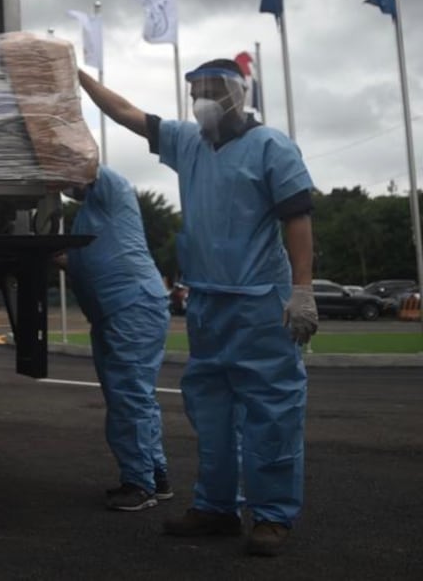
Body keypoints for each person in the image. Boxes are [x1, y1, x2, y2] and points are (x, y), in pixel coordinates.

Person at [77, 58, 317, 557]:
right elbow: (126, 112)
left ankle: (273, 515)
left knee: (271, 410)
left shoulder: (272, 147)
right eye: (195, 93)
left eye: (211, 91)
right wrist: (76, 76)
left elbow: (297, 216)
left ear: (238, 94)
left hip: (259, 301)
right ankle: (216, 508)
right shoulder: (188, 142)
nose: (201, 101)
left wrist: (302, 289)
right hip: (207, 301)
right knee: (211, 411)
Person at [54, 165, 172, 512]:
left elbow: (81, 162)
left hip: (130, 307)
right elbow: (85, 262)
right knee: (136, 397)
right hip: (117, 311)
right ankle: (155, 475)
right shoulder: (90, 215)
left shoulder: (111, 186)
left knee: (129, 398)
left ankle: (139, 484)